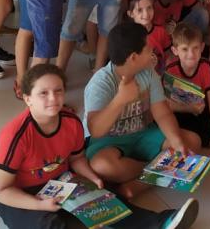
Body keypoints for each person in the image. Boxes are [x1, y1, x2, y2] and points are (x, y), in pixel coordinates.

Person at [0, 63, 200, 229]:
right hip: (21, 195)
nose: (53, 98)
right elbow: (1, 190)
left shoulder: (71, 122)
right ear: (27, 99)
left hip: (61, 183)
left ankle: (161, 222)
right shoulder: (15, 135)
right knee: (47, 224)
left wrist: (92, 178)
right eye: (43, 93)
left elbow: (77, 158)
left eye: (58, 91)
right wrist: (39, 204)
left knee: (109, 202)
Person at [83, 22, 202, 197]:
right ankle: (159, 169)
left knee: (192, 141)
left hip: (143, 133)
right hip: (108, 141)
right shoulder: (101, 82)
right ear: (133, 57)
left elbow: (161, 112)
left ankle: (137, 184)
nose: (152, 52)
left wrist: (176, 141)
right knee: (103, 166)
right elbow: (96, 130)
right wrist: (120, 100)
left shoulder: (148, 73)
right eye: (148, 49)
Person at [165, 23, 210, 149]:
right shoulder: (171, 71)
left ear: (202, 47)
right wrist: (188, 108)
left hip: (202, 110)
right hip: (181, 111)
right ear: (175, 51)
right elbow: (167, 106)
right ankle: (208, 138)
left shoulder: (207, 66)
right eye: (185, 49)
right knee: (169, 121)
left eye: (195, 48)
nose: (191, 54)